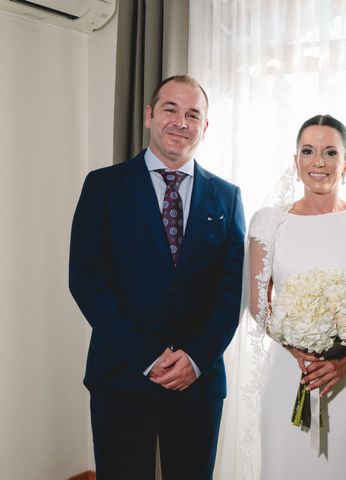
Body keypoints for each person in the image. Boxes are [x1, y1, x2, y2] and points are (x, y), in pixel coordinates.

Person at [69, 74, 245, 480]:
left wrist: (196, 358)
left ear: (205, 127)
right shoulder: (103, 186)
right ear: (149, 115)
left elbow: (232, 289)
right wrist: (147, 357)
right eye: (170, 109)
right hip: (121, 376)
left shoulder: (228, 196)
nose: (181, 122)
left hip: (197, 383)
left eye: (192, 114)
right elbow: (86, 279)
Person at [216, 114, 346, 479]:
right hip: (288, 372)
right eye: (308, 151)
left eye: (330, 152)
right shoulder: (267, 223)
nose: (319, 162)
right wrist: (297, 347)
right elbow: (259, 304)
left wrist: (343, 362)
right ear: (295, 161)